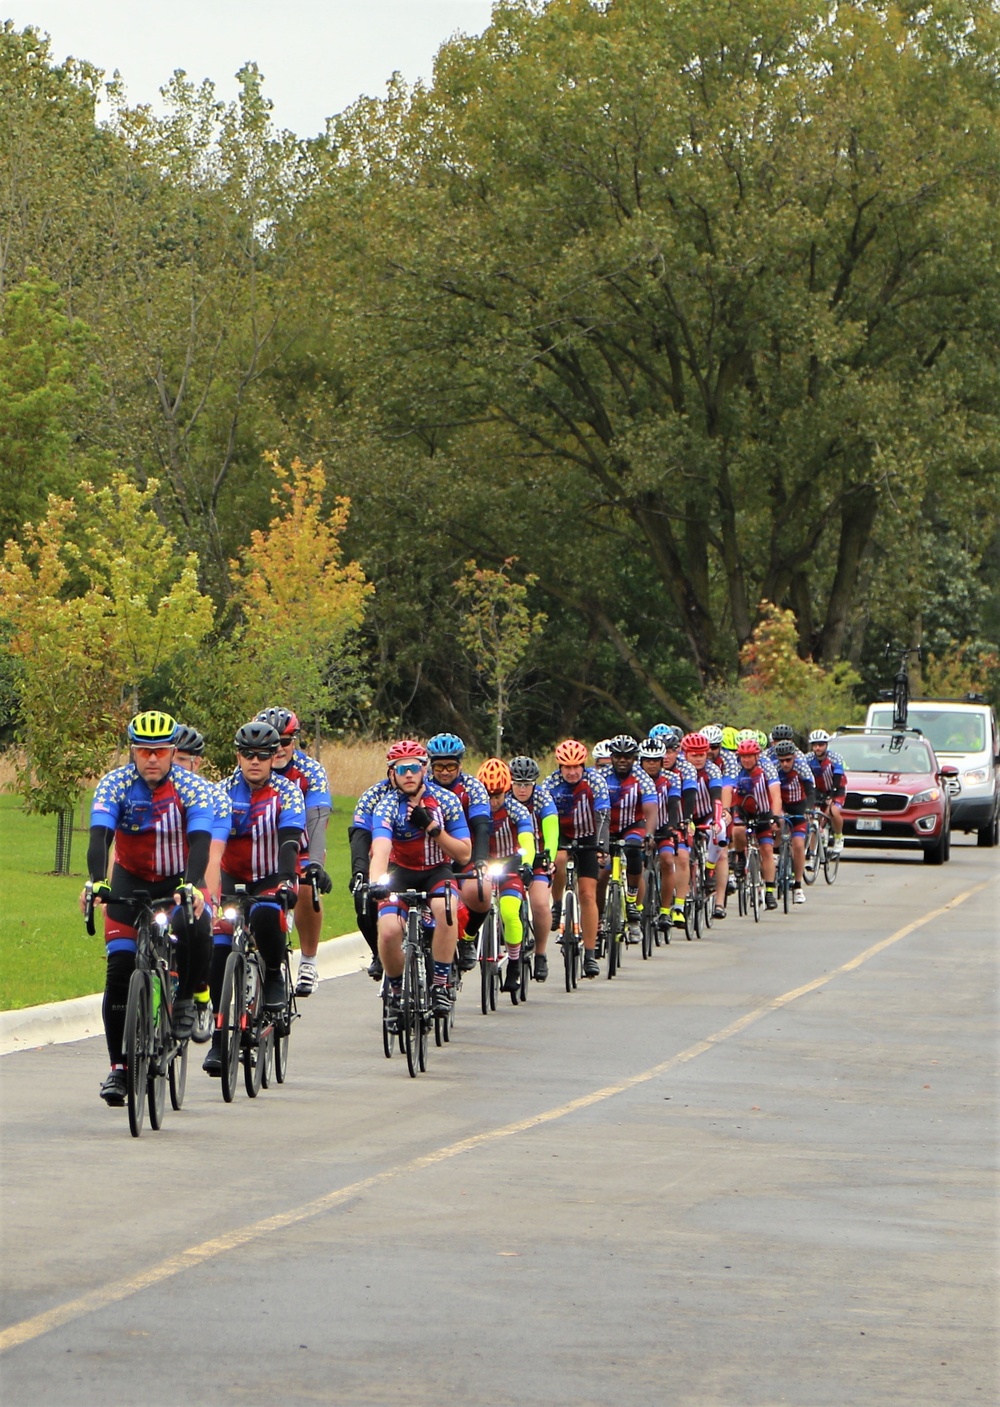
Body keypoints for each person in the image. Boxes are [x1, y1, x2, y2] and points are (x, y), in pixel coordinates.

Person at [83, 711, 216, 1106]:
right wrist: (96, 881)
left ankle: (189, 995)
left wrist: (191, 886)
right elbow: (99, 836)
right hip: (130, 878)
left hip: (179, 876)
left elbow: (201, 840)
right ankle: (118, 1069)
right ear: (133, 751)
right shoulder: (115, 784)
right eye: (143, 751)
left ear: (173, 751)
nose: (152, 759)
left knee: (196, 923)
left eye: (159, 751)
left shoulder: (192, 788)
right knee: (120, 970)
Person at [203, 721, 306, 1075]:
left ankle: (274, 972)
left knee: (266, 914)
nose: (255, 762)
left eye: (263, 755)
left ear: (275, 756)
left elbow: (290, 841)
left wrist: (286, 882)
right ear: (238, 756)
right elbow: (210, 847)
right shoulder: (220, 792)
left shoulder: (288, 792)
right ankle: (219, 1036)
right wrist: (209, 890)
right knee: (218, 948)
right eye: (248, 755)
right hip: (230, 876)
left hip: (270, 875)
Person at [369, 741, 472, 1027]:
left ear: (424, 769)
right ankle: (396, 990)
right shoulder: (388, 805)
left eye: (414, 767)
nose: (409, 774)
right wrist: (376, 881)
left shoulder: (446, 801)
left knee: (446, 908)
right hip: (401, 871)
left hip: (437, 870)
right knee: (389, 931)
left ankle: (440, 983)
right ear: (392, 774)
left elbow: (463, 852)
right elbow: (380, 848)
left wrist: (432, 828)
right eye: (402, 769)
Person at [255, 708, 333, 997]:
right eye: (270, 744)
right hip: (258, 852)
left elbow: (317, 818)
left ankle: (309, 960)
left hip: (300, 847)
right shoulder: (249, 770)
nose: (278, 750)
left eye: (285, 742)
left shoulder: (309, 772)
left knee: (305, 887)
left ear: (295, 742)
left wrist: (314, 864)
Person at [424, 732, 492, 971]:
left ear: (460, 765)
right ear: (430, 765)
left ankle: (468, 938)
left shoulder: (473, 787)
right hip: (429, 857)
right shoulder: (421, 786)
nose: (444, 772)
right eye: (439, 766)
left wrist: (481, 860)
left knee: (481, 890)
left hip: (464, 854)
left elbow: (482, 825)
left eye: (450, 766)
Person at [545, 739, 610, 978]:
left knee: (588, 894)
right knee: (559, 859)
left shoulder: (596, 781)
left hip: (589, 834)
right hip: (560, 833)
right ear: (559, 767)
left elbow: (603, 814)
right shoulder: (550, 784)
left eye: (576, 767)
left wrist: (602, 845)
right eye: (566, 767)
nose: (572, 772)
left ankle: (591, 954)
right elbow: (542, 816)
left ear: (583, 766)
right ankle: (558, 903)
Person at [476, 758, 536, 994]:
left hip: (510, 864)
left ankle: (513, 964)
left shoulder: (517, 809)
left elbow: (527, 841)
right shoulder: (473, 808)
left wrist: (527, 864)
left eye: (497, 795)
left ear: (507, 790)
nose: (492, 801)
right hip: (483, 865)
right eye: (488, 795)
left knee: (510, 912)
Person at [600, 735, 658, 940]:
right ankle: (598, 920)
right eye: (618, 756)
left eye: (627, 756)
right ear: (612, 757)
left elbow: (651, 809)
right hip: (606, 827)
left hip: (632, 826)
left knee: (634, 850)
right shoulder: (601, 776)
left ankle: (632, 901)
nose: (622, 760)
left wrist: (649, 834)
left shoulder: (643, 778)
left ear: (634, 758)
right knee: (601, 872)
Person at [508, 755, 560, 982]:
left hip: (537, 857)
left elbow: (551, 831)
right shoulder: (503, 798)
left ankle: (540, 952)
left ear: (534, 784)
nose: (522, 789)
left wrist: (549, 854)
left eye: (526, 784)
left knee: (539, 904)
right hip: (509, 858)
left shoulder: (542, 798)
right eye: (517, 784)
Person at [172, 724, 230, 903]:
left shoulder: (215, 799)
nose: (174, 765)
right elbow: (120, 850)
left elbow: (213, 855)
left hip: (195, 876)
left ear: (195, 763)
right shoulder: (144, 794)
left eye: (181, 759)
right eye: (170, 758)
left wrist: (209, 901)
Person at [730, 736, 783, 909]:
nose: (746, 760)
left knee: (767, 849)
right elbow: (726, 790)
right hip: (742, 810)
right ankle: (740, 857)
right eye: (743, 756)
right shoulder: (735, 768)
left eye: (749, 756)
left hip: (763, 811)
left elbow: (775, 794)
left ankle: (769, 891)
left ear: (757, 756)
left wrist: (775, 816)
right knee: (737, 831)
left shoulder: (767, 767)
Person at [773, 738, 816, 901]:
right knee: (779, 822)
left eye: (788, 760)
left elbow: (810, 791)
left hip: (799, 806)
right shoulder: (774, 768)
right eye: (781, 760)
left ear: (794, 757)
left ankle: (797, 886)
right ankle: (776, 853)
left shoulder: (801, 767)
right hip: (782, 805)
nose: (785, 764)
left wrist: (809, 809)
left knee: (798, 845)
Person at [806, 730, 846, 854]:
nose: (818, 748)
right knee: (813, 820)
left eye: (821, 745)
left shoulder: (835, 758)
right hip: (817, 791)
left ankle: (839, 837)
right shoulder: (807, 758)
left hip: (835, 789)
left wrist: (831, 795)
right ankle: (812, 855)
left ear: (826, 745)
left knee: (832, 811)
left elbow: (837, 777)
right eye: (815, 745)